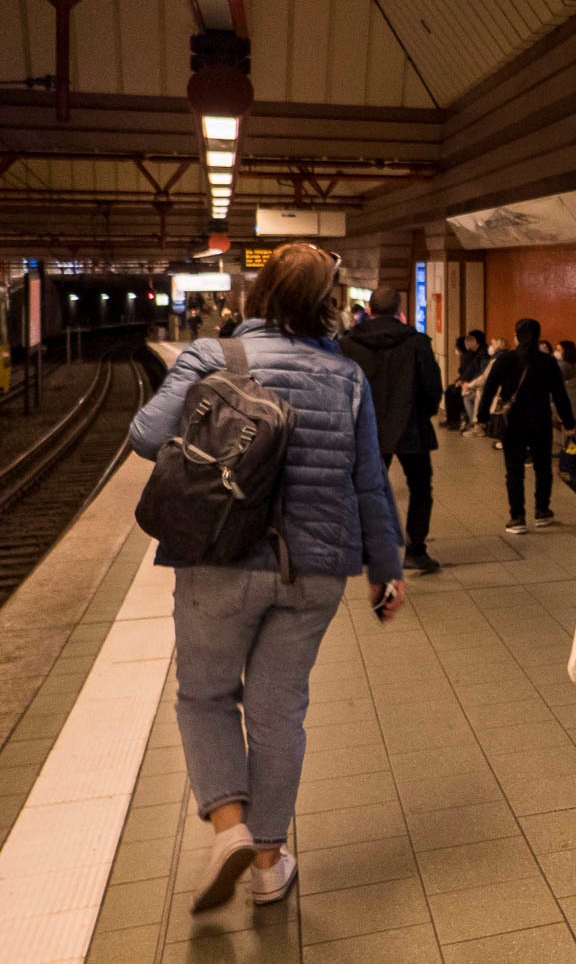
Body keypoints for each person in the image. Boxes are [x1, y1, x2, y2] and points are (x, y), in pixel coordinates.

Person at [128, 242, 404, 912]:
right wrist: (386, 569)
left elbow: (145, 435)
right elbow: (369, 479)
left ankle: (230, 829)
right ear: (327, 303)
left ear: (261, 293)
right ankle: (269, 865)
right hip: (315, 569)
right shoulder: (347, 377)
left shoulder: (211, 355)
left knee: (205, 695)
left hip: (220, 557)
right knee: (280, 711)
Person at [342, 286, 445, 574]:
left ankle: (368, 548)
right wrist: (423, 413)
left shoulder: (348, 344)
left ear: (370, 310)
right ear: (399, 310)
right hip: (411, 426)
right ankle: (416, 550)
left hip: (367, 429)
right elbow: (432, 387)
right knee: (420, 487)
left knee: (368, 489)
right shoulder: (417, 343)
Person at [477, 320, 576, 533]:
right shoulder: (547, 362)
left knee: (514, 470)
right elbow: (560, 394)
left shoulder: (505, 359)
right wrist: (569, 422)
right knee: (543, 467)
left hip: (513, 422)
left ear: (517, 336)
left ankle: (517, 518)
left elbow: (489, 389)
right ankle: (542, 511)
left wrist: (482, 417)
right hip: (540, 420)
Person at [459, 333, 495, 436]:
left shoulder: (484, 356)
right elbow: (471, 370)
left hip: (482, 386)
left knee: (468, 396)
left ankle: (475, 424)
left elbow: (482, 375)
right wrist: (463, 380)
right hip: (478, 384)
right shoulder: (474, 354)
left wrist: (469, 384)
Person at [444, 336, 468, 429]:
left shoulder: (468, 357)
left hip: (468, 383)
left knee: (453, 393)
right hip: (464, 381)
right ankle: (451, 419)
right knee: (449, 391)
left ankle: (454, 421)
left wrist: (462, 381)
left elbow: (470, 372)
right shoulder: (464, 357)